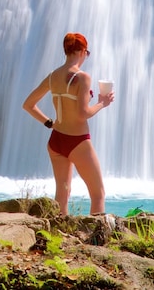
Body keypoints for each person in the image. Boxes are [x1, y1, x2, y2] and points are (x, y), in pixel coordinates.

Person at [23, 32, 115, 216]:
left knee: (62, 196)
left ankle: (59, 236)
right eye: (87, 53)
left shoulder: (52, 76)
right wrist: (102, 103)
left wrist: (50, 123)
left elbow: (28, 105)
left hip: (56, 140)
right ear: (82, 51)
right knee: (98, 194)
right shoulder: (82, 77)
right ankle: (96, 239)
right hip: (78, 141)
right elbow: (83, 114)